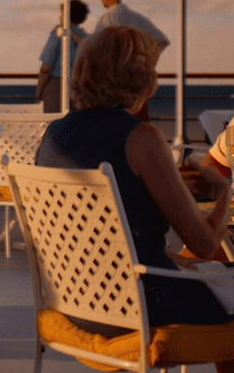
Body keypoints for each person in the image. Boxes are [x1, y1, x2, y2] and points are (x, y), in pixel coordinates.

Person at [36, 26, 234, 372]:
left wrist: (170, 186)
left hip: (75, 304)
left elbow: (97, 235)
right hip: (139, 307)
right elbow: (204, 244)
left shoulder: (54, 134)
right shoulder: (142, 138)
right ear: (140, 77)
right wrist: (223, 192)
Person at [95, 0, 169, 121]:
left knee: (114, 126)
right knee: (137, 127)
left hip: (114, 83)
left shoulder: (106, 20)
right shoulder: (138, 19)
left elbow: (96, 51)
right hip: (137, 82)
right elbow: (162, 41)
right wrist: (146, 63)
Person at [35, 0, 89, 112]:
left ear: (66, 15)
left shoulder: (58, 35)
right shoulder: (87, 38)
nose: (60, 17)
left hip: (57, 87)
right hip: (79, 87)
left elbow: (46, 69)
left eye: (62, 14)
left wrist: (39, 92)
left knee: (54, 120)